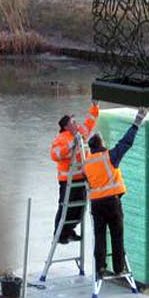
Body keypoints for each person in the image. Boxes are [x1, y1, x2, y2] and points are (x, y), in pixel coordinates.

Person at [83, 107, 147, 279]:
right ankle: (119, 268)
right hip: (112, 202)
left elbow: (87, 180)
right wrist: (137, 122)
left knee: (100, 236)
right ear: (101, 145)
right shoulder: (109, 157)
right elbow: (126, 143)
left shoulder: (87, 163)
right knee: (117, 235)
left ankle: (100, 269)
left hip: (96, 204)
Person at [50, 100, 100, 244]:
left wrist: (95, 107)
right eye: (73, 121)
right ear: (66, 126)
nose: (76, 123)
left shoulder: (80, 133)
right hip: (68, 180)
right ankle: (59, 234)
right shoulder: (61, 138)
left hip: (81, 177)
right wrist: (70, 146)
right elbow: (55, 155)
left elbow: (90, 123)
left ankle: (69, 230)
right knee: (65, 207)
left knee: (80, 207)